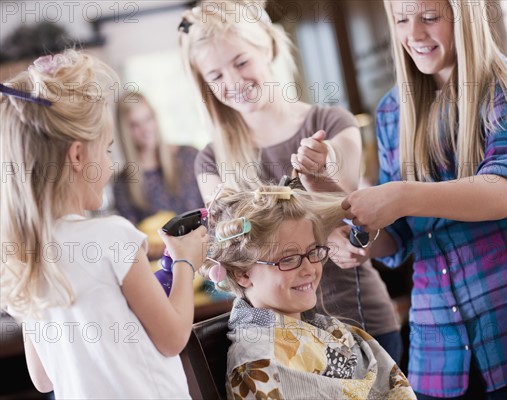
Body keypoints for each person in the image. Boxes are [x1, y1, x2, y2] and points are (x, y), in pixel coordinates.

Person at [341, 1, 507, 399]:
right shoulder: (390, 112)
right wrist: (360, 238)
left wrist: (400, 195)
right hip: (435, 353)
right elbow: (397, 237)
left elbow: (503, 192)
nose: (413, 34)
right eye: (401, 20)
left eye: (429, 17)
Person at [179, 0, 403, 363]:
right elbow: (234, 249)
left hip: (359, 324)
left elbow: (342, 214)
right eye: (216, 76)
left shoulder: (331, 122)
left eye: (241, 62)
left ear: (267, 46)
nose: (233, 82)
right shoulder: (211, 159)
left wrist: (322, 175)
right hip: (278, 346)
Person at [0, 50, 209, 399]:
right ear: (78, 156)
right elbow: (173, 337)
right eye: (107, 150)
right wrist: (186, 263)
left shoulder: (23, 257)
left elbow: (43, 379)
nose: (111, 167)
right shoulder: (111, 236)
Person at [200, 185, 416, 399]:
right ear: (242, 274)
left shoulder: (326, 329)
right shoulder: (259, 363)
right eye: (288, 259)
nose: (309, 269)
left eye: (313, 252)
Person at [113, 92, 205, 258]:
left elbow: (214, 210)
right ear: (125, 131)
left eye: (148, 119)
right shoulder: (123, 184)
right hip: (166, 269)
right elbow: (135, 245)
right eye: (135, 125)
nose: (145, 129)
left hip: (207, 255)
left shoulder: (189, 156)